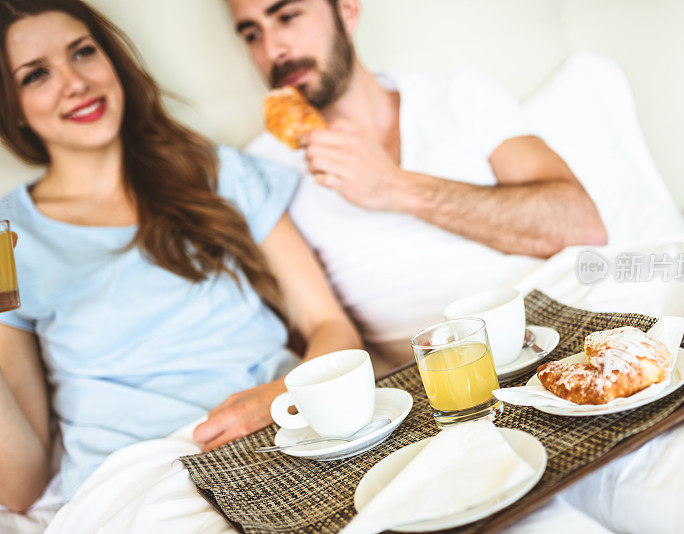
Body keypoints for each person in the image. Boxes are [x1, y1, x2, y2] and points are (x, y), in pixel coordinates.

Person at [0, 0, 360, 511]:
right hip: (139, 484)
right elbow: (20, 487)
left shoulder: (213, 172)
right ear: (10, 104)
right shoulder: (7, 237)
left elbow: (331, 325)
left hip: (280, 439)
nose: (74, 82)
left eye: (83, 53)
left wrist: (278, 397)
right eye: (36, 75)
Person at [227, 0, 608, 370]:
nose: (273, 49)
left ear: (347, 10)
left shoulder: (459, 96)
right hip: (449, 376)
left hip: (569, 318)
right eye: (251, 34)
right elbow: (316, 328)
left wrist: (396, 187)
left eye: (288, 16)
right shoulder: (262, 171)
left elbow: (582, 225)